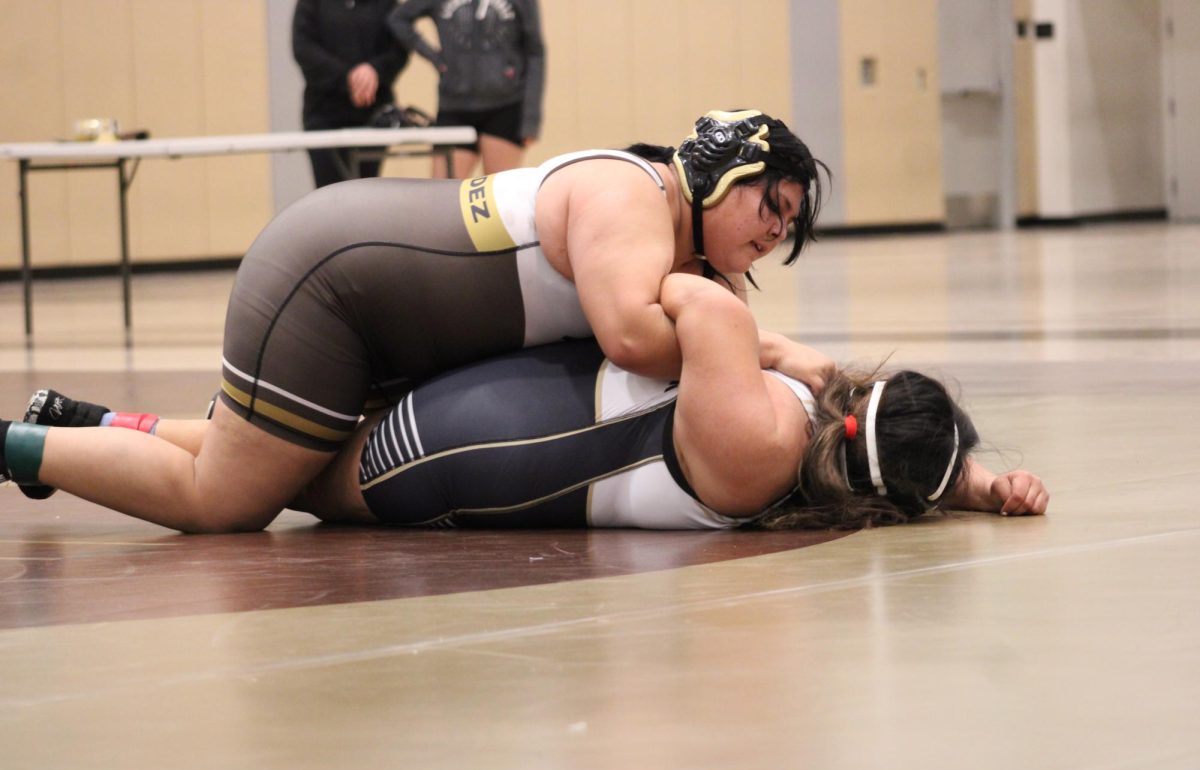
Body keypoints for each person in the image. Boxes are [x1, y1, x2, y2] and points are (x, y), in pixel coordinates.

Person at [0, 110, 830, 532]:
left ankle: (85, 425)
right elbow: (633, 342)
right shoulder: (637, 197)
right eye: (771, 205)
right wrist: (765, 347)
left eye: (786, 225)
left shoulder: (664, 227)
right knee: (224, 503)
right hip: (330, 290)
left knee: (266, 458)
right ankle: (15, 446)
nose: (772, 231)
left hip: (352, 289)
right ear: (724, 174)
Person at [1, 273, 1048, 530]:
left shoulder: (761, 422)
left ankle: (22, 446)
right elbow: (886, 460)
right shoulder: (794, 477)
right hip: (481, 442)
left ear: (865, 399)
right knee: (264, 452)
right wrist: (974, 483)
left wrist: (824, 370)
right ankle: (83, 424)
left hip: (462, 436)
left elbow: (699, 301)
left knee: (226, 493)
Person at [387, 0, 545, 177]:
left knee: (498, 195)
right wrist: (435, 58)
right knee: (442, 195)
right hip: (454, 105)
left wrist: (531, 119)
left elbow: (535, 51)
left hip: (505, 105)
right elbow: (398, 18)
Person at [293, 0, 410, 187]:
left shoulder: (387, 4)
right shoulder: (312, 3)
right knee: (329, 194)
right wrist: (348, 78)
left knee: (368, 193)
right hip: (323, 113)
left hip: (372, 113)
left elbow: (399, 47)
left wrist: (375, 70)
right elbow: (303, 47)